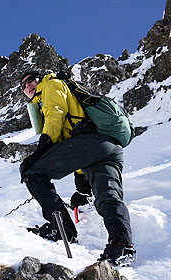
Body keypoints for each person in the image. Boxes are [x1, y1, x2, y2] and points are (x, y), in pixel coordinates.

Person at [18, 70, 136, 266]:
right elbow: (77, 150)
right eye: (23, 86)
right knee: (108, 197)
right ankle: (122, 245)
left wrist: (41, 148)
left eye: (30, 80)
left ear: (40, 78)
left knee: (32, 172)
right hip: (109, 146)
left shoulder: (51, 84)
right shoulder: (66, 89)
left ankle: (62, 229)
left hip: (90, 142)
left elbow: (55, 113)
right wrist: (82, 187)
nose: (28, 86)